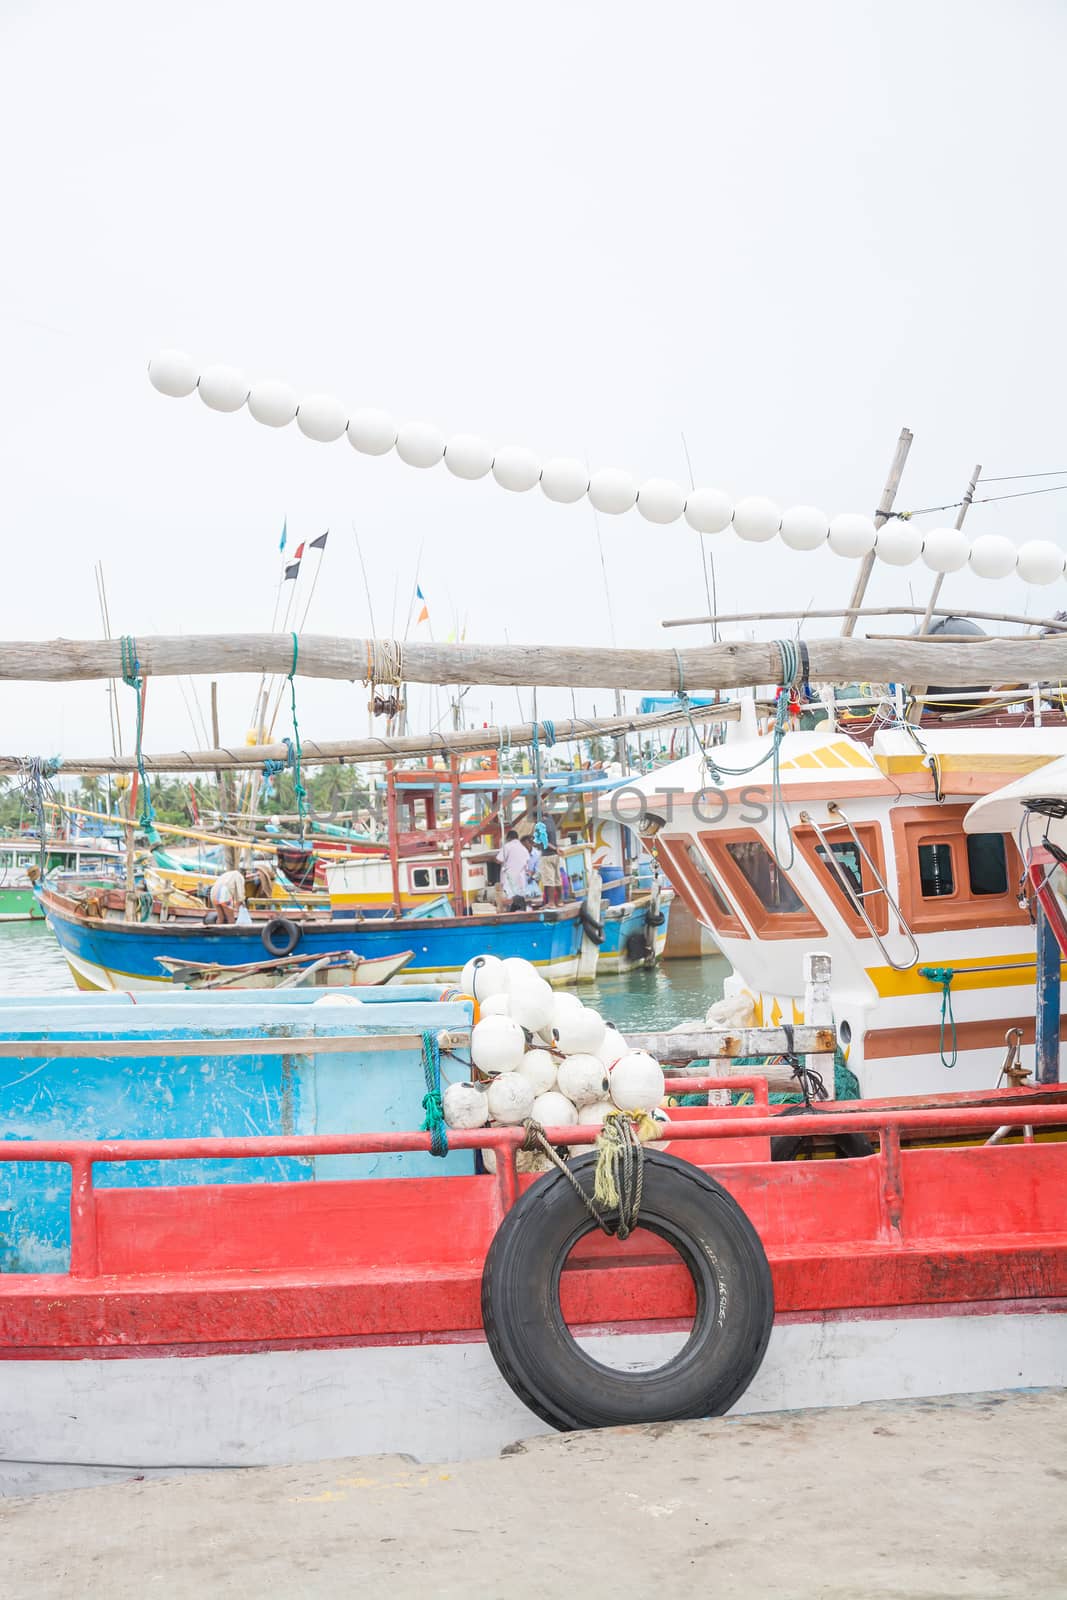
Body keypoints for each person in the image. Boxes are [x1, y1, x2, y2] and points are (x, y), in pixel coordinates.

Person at [496, 829, 530, 911]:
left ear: (508, 838)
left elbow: (499, 860)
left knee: (509, 899)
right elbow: (527, 864)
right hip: (520, 879)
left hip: (509, 878)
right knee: (520, 900)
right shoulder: (524, 849)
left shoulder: (507, 846)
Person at [538, 840, 562, 907]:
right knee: (557, 879)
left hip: (547, 856)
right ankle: (560, 901)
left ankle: (551, 903)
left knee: (549, 880)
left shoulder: (540, 828)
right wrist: (556, 849)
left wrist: (555, 848)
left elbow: (544, 841)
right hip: (555, 855)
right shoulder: (553, 828)